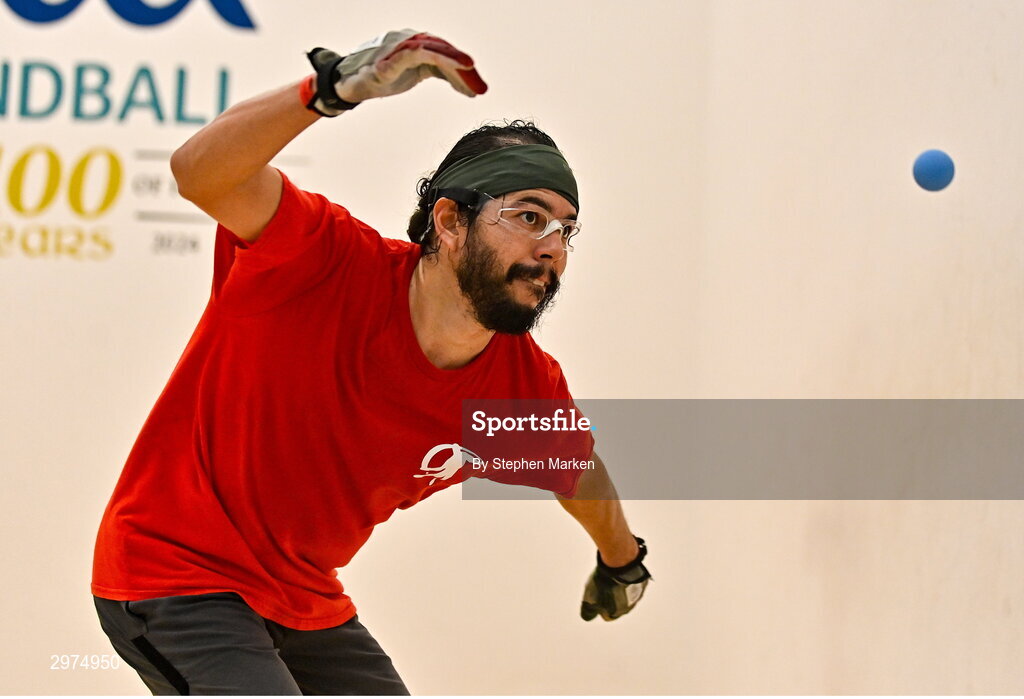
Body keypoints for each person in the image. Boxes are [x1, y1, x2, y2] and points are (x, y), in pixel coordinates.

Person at [91, 29, 651, 695]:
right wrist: (327, 91)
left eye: (566, 228)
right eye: (530, 216)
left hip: (299, 598)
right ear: (449, 221)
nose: (553, 245)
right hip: (175, 570)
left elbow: (579, 474)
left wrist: (624, 561)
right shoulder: (318, 259)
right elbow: (199, 173)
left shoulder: (521, 389)